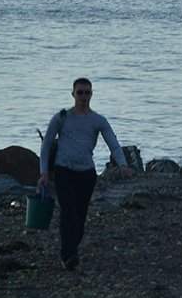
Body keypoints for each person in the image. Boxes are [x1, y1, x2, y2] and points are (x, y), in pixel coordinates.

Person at [38, 77, 134, 271]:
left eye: (87, 92)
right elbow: (46, 144)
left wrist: (123, 164)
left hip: (87, 174)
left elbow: (113, 144)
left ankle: (72, 249)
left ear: (92, 94)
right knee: (68, 212)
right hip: (63, 170)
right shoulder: (61, 117)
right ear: (73, 94)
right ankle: (68, 255)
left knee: (80, 216)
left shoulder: (98, 120)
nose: (83, 96)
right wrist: (44, 172)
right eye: (80, 92)